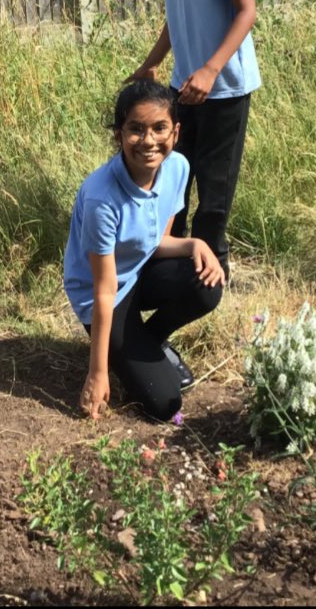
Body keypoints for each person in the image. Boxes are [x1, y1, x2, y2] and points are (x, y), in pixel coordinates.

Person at [129, 0, 259, 276]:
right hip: (182, 88)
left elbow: (246, 11)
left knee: (214, 189)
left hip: (225, 90)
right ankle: (175, 266)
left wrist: (210, 69)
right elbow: (178, 14)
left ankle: (212, 275)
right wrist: (152, 63)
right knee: (173, 181)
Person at [63, 80, 225, 422]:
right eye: (136, 129)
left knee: (207, 284)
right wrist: (98, 372)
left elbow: (155, 244)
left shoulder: (178, 167)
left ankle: (149, 341)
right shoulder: (102, 198)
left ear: (175, 132)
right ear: (119, 135)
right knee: (165, 403)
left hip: (139, 270)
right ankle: (124, 350)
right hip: (103, 294)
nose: (149, 140)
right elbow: (104, 288)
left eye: (159, 128)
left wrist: (195, 244)